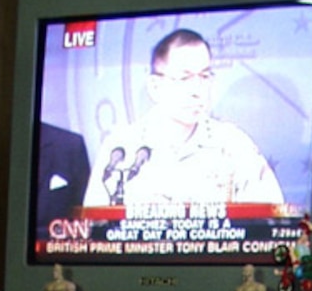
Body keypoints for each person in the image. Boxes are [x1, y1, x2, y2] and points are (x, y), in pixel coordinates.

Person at [82, 28, 286, 216]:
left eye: (204, 76)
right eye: (185, 78)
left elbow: (271, 224)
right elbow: (91, 231)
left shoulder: (234, 145)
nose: (197, 90)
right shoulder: (121, 149)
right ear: (155, 86)